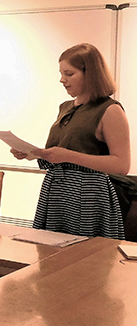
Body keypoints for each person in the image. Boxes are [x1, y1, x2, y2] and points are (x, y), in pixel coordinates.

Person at [11, 43, 133, 240]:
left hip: (89, 195)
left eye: (69, 74)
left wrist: (68, 156)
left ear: (90, 74)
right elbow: (60, 153)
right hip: (57, 190)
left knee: (85, 261)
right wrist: (33, 154)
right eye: (61, 73)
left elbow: (121, 165)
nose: (62, 80)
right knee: (50, 255)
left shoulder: (110, 109)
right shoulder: (65, 107)